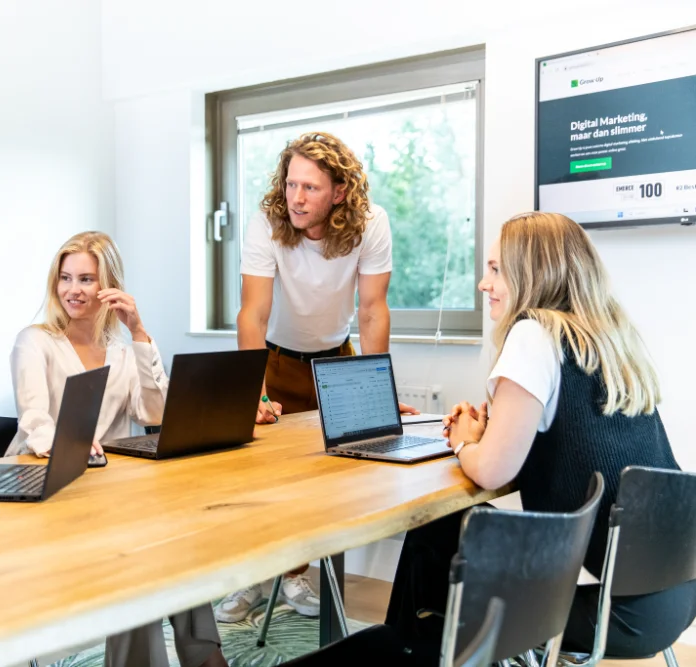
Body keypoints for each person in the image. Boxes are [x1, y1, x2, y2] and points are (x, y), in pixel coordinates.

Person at [286, 212, 696, 665]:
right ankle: (413, 645)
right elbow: (567, 437)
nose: (484, 283)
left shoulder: (535, 334)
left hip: (618, 611)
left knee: (440, 529)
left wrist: (464, 442)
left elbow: (494, 469)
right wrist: (490, 433)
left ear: (533, 273)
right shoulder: (609, 338)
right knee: (448, 530)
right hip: (674, 593)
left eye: (497, 269)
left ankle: (406, 646)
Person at [217, 131, 416, 623]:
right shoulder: (268, 222)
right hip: (275, 360)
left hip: (337, 362)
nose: (296, 198)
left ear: (340, 193)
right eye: (290, 185)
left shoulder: (372, 224)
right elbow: (252, 314)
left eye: (310, 188)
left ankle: (294, 577)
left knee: (325, 483)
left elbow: (372, 311)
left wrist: (379, 394)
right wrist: (253, 393)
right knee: (262, 480)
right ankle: (251, 581)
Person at [4, 231, 227, 667]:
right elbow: (34, 421)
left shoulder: (123, 351)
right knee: (138, 558)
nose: (73, 290)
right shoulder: (35, 341)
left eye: (86, 279)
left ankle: (203, 656)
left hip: (108, 491)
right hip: (46, 489)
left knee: (177, 540)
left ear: (109, 286)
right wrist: (68, 441)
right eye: (65, 278)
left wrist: (140, 332)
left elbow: (155, 410)